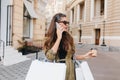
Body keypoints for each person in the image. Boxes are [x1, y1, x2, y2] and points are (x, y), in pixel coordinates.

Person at [43, 13, 97, 80]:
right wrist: (59, 38)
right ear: (56, 24)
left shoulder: (68, 37)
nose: (67, 25)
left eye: (67, 22)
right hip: (58, 72)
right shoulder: (49, 39)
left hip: (70, 72)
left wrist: (85, 56)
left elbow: (71, 56)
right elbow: (50, 57)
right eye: (64, 22)